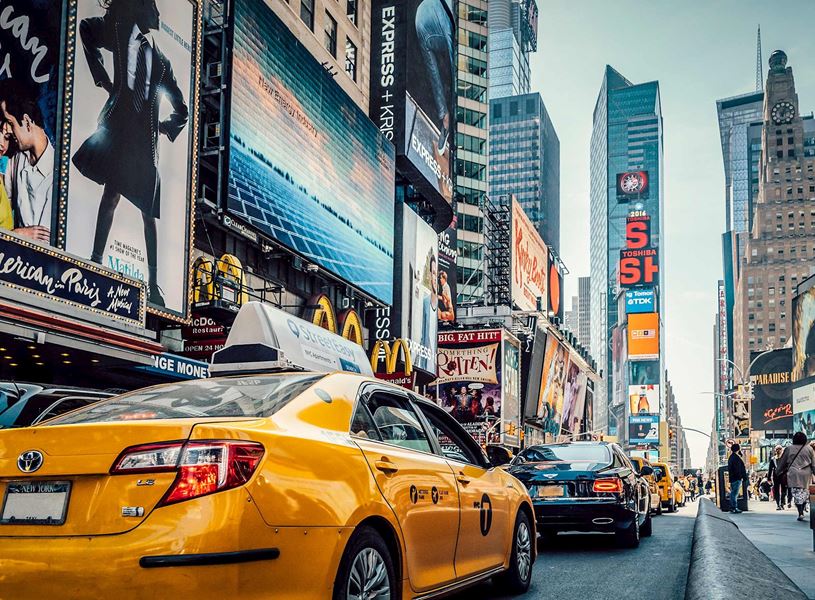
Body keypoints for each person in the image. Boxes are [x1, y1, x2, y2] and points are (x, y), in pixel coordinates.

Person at [72, 0, 189, 307]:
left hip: (145, 142)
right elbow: (85, 29)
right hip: (119, 129)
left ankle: (153, 285)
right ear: (140, 8)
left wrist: (164, 127)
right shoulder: (119, 31)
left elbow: (183, 110)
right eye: (152, 7)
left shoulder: (162, 61)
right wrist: (103, 80)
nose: (158, 13)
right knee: (110, 195)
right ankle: (95, 261)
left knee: (148, 212)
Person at [0, 79, 54, 243]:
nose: (8, 130)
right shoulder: (14, 160)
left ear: (27, 122)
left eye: (10, 123)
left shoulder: (59, 171)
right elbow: (4, 213)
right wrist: (16, 234)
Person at [414, 0, 454, 155]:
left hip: (424, 16)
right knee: (451, 62)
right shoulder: (446, 23)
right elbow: (453, 64)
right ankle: (446, 117)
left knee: (435, 66)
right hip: (429, 19)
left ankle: (445, 117)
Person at [777, 431, 815, 522]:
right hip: (806, 473)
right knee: (805, 491)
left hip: (793, 473)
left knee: (796, 492)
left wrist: (778, 471)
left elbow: (783, 461)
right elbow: (813, 463)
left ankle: (800, 512)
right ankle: (803, 505)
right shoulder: (809, 449)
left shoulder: (789, 449)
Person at [727, 443, 747, 514]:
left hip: (733, 478)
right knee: (734, 493)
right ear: (738, 449)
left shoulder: (732, 457)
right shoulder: (735, 458)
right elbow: (739, 468)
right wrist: (741, 477)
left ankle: (733, 507)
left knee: (734, 493)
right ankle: (734, 507)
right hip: (736, 478)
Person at [768, 445, 789, 510]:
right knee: (776, 490)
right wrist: (769, 478)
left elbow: (788, 467)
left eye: (780, 449)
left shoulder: (785, 459)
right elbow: (770, 469)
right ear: (775, 450)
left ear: (782, 450)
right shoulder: (773, 459)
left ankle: (782, 502)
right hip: (776, 476)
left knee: (784, 490)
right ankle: (778, 504)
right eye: (777, 449)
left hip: (783, 476)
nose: (778, 450)